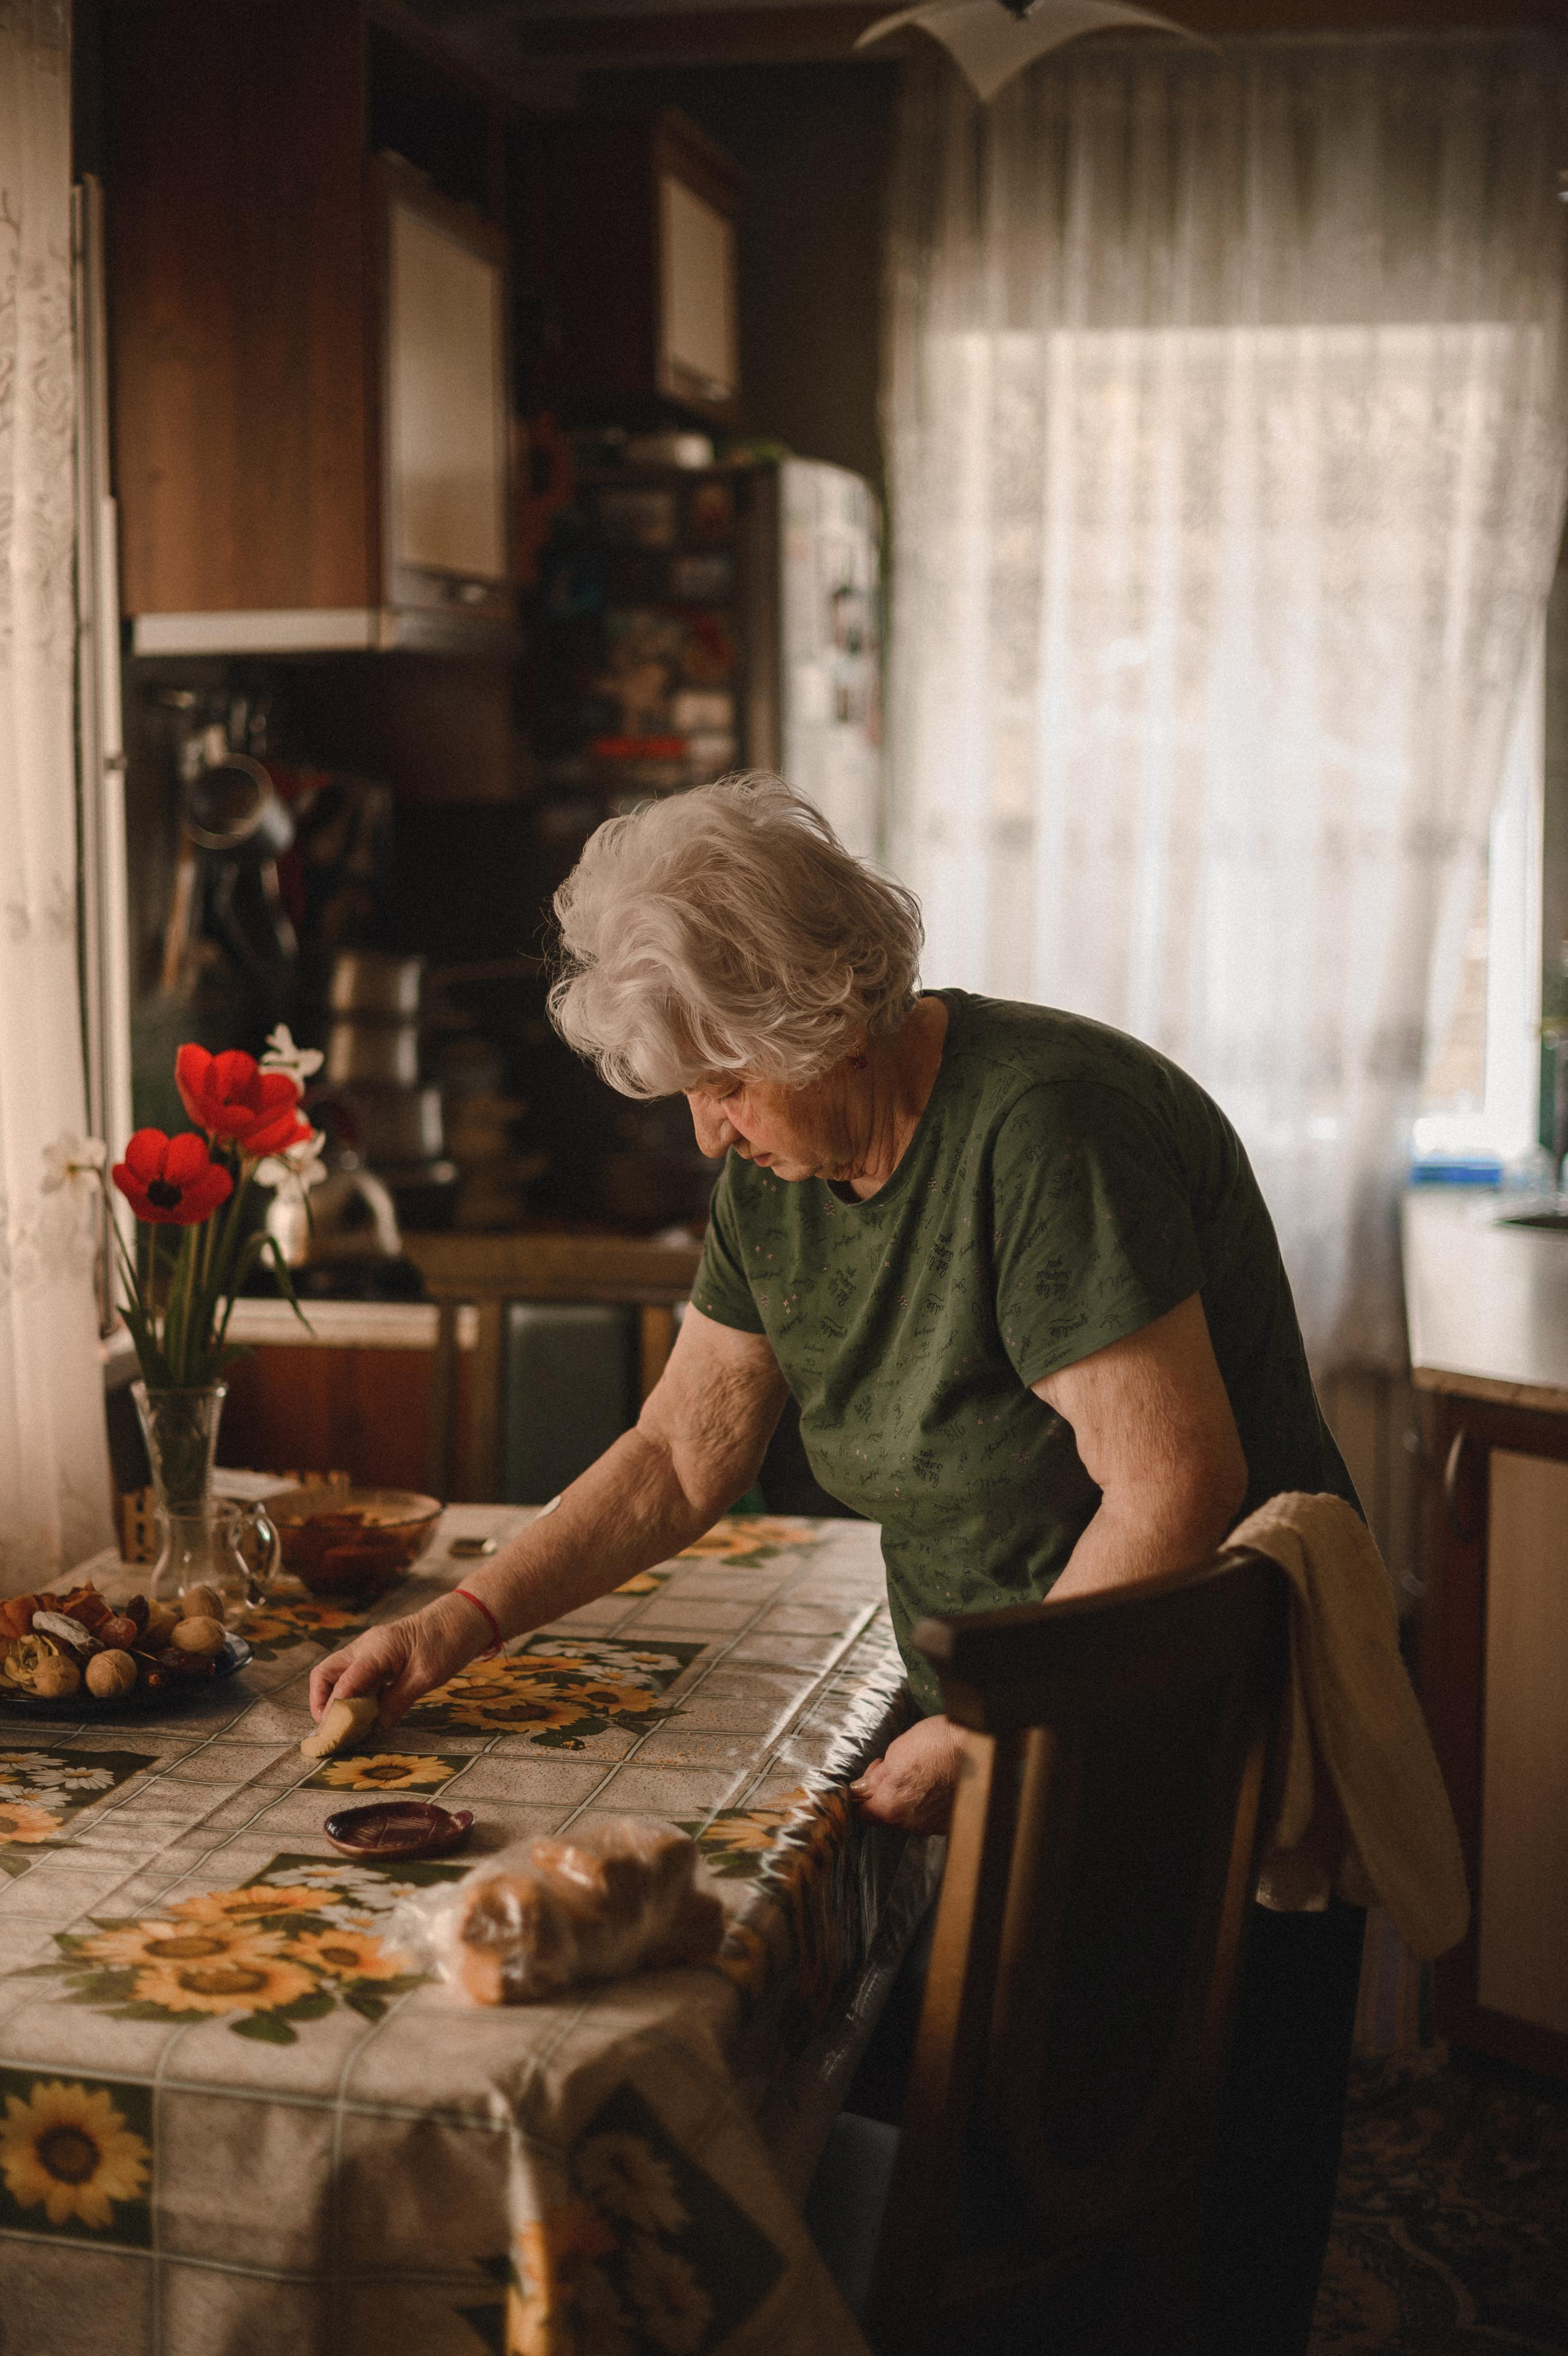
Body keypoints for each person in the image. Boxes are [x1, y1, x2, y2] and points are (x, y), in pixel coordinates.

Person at [310, 772, 1364, 2355]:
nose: (705, 1128)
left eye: (726, 1081)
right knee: (861, 2062)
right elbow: (679, 1455)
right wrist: (458, 1621)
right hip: (1002, 1701)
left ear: (826, 1016)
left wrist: (989, 1725)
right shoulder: (777, 1174)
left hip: (1162, 1724)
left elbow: (1172, 1487)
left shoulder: (1041, 1132)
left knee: (1107, 2203)